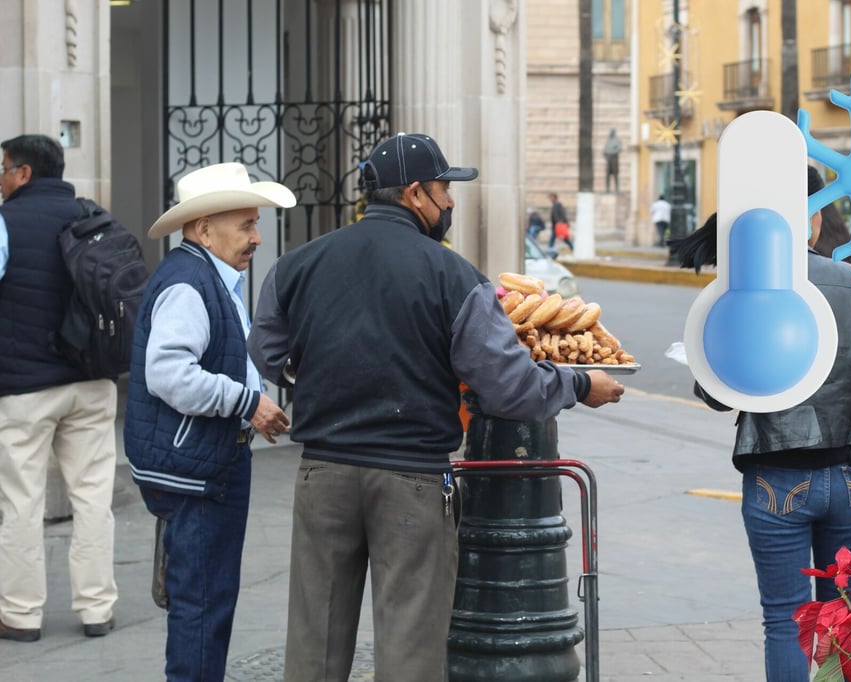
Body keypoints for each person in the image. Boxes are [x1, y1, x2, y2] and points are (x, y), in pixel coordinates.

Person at [247, 132, 625, 681]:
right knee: (410, 646)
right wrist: (579, 385)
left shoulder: (297, 264)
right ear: (415, 194)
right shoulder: (454, 276)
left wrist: (317, 373)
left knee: (315, 641)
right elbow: (508, 387)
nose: (450, 202)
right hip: (411, 480)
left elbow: (266, 351)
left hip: (323, 474)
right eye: (445, 189)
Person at [676, 166, 851, 681]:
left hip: (775, 476)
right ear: (813, 217)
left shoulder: (739, 287)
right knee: (847, 609)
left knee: (786, 619)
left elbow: (714, 393)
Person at [123, 162, 294, 680]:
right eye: (246, 225)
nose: (257, 237)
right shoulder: (190, 283)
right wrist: (247, 403)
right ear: (203, 229)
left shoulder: (204, 275)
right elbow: (169, 373)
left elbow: (218, 356)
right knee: (201, 609)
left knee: (207, 604)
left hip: (202, 464)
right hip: (195, 472)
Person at [0, 134, 119, 642]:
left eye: (4, 168)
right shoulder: (95, 218)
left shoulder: (4, 222)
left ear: (25, 173)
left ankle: (21, 614)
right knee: (93, 498)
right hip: (91, 381)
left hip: (24, 388)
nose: (1, 178)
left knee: (20, 502)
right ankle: (97, 608)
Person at [603, 128, 622, 193]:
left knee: (615, 174)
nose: (610, 133)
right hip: (608, 159)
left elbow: (620, 148)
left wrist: (613, 151)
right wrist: (606, 156)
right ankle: (607, 188)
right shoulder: (608, 141)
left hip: (614, 158)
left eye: (611, 132)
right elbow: (604, 150)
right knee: (607, 174)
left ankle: (617, 188)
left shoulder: (616, 141)